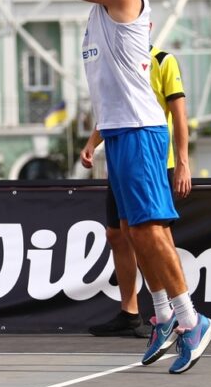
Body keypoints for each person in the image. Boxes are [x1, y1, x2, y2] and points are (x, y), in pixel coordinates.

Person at [45, 0, 211, 374]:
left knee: (151, 232)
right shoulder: (104, 1)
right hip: (120, 131)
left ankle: (191, 319)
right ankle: (163, 316)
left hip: (140, 130)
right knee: (133, 233)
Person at [82, 39, 191, 339]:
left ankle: (179, 313)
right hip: (123, 157)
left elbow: (179, 116)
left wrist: (183, 162)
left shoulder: (163, 60)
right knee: (119, 233)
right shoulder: (116, 60)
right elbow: (114, 112)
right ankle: (132, 312)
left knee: (152, 234)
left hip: (154, 159)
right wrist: (93, 143)